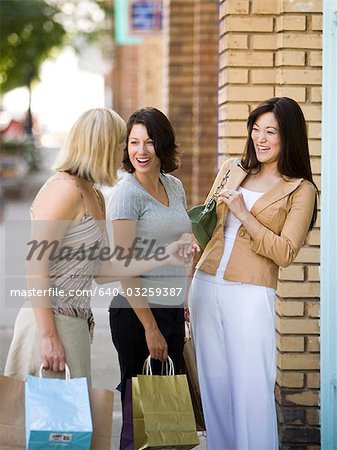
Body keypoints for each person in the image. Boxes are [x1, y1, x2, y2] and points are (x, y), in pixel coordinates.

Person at [4, 107, 190, 385]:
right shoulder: (63, 190)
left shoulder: (94, 196)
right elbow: (35, 265)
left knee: (72, 427)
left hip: (76, 326)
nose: (124, 152)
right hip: (49, 324)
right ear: (101, 146)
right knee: (48, 426)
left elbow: (101, 271)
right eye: (120, 144)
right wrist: (48, 336)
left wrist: (165, 255)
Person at [188, 97, 318, 450]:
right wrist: (186, 286)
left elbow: (286, 252)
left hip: (249, 293)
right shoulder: (232, 168)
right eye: (256, 130)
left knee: (251, 392)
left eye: (271, 132)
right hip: (205, 285)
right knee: (214, 389)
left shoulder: (301, 189)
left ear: (288, 136)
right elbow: (203, 230)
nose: (261, 138)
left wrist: (245, 215)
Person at [107, 107, 192, 449]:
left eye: (149, 142)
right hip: (137, 315)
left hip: (169, 310)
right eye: (133, 142)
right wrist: (151, 328)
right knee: (142, 425)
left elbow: (175, 241)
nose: (140, 151)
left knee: (169, 423)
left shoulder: (174, 186)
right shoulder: (127, 194)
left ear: (164, 144)